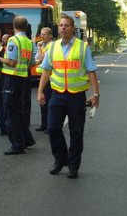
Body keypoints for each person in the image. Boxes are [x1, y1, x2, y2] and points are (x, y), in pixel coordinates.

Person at [37, 14, 99, 179]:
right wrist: (40, 91)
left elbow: (91, 71)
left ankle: (73, 166)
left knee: (76, 132)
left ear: (72, 28)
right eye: (61, 25)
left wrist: (95, 95)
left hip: (76, 96)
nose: (63, 28)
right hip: (57, 94)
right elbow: (46, 70)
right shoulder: (52, 47)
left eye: (66, 25)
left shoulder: (82, 47)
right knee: (52, 129)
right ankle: (60, 159)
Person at [0, 15, 35, 155]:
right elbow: (32, 63)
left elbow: (11, 62)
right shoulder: (30, 42)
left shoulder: (13, 40)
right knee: (20, 111)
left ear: (14, 26)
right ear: (26, 26)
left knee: (10, 113)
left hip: (12, 79)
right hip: (24, 78)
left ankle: (17, 144)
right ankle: (27, 139)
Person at [35, 26, 55, 132]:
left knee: (48, 102)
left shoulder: (51, 46)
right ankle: (44, 124)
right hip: (43, 76)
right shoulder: (44, 46)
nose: (42, 36)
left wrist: (39, 50)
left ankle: (49, 125)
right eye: (41, 34)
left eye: (44, 34)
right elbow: (37, 59)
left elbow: (42, 59)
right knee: (43, 101)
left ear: (50, 36)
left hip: (50, 78)